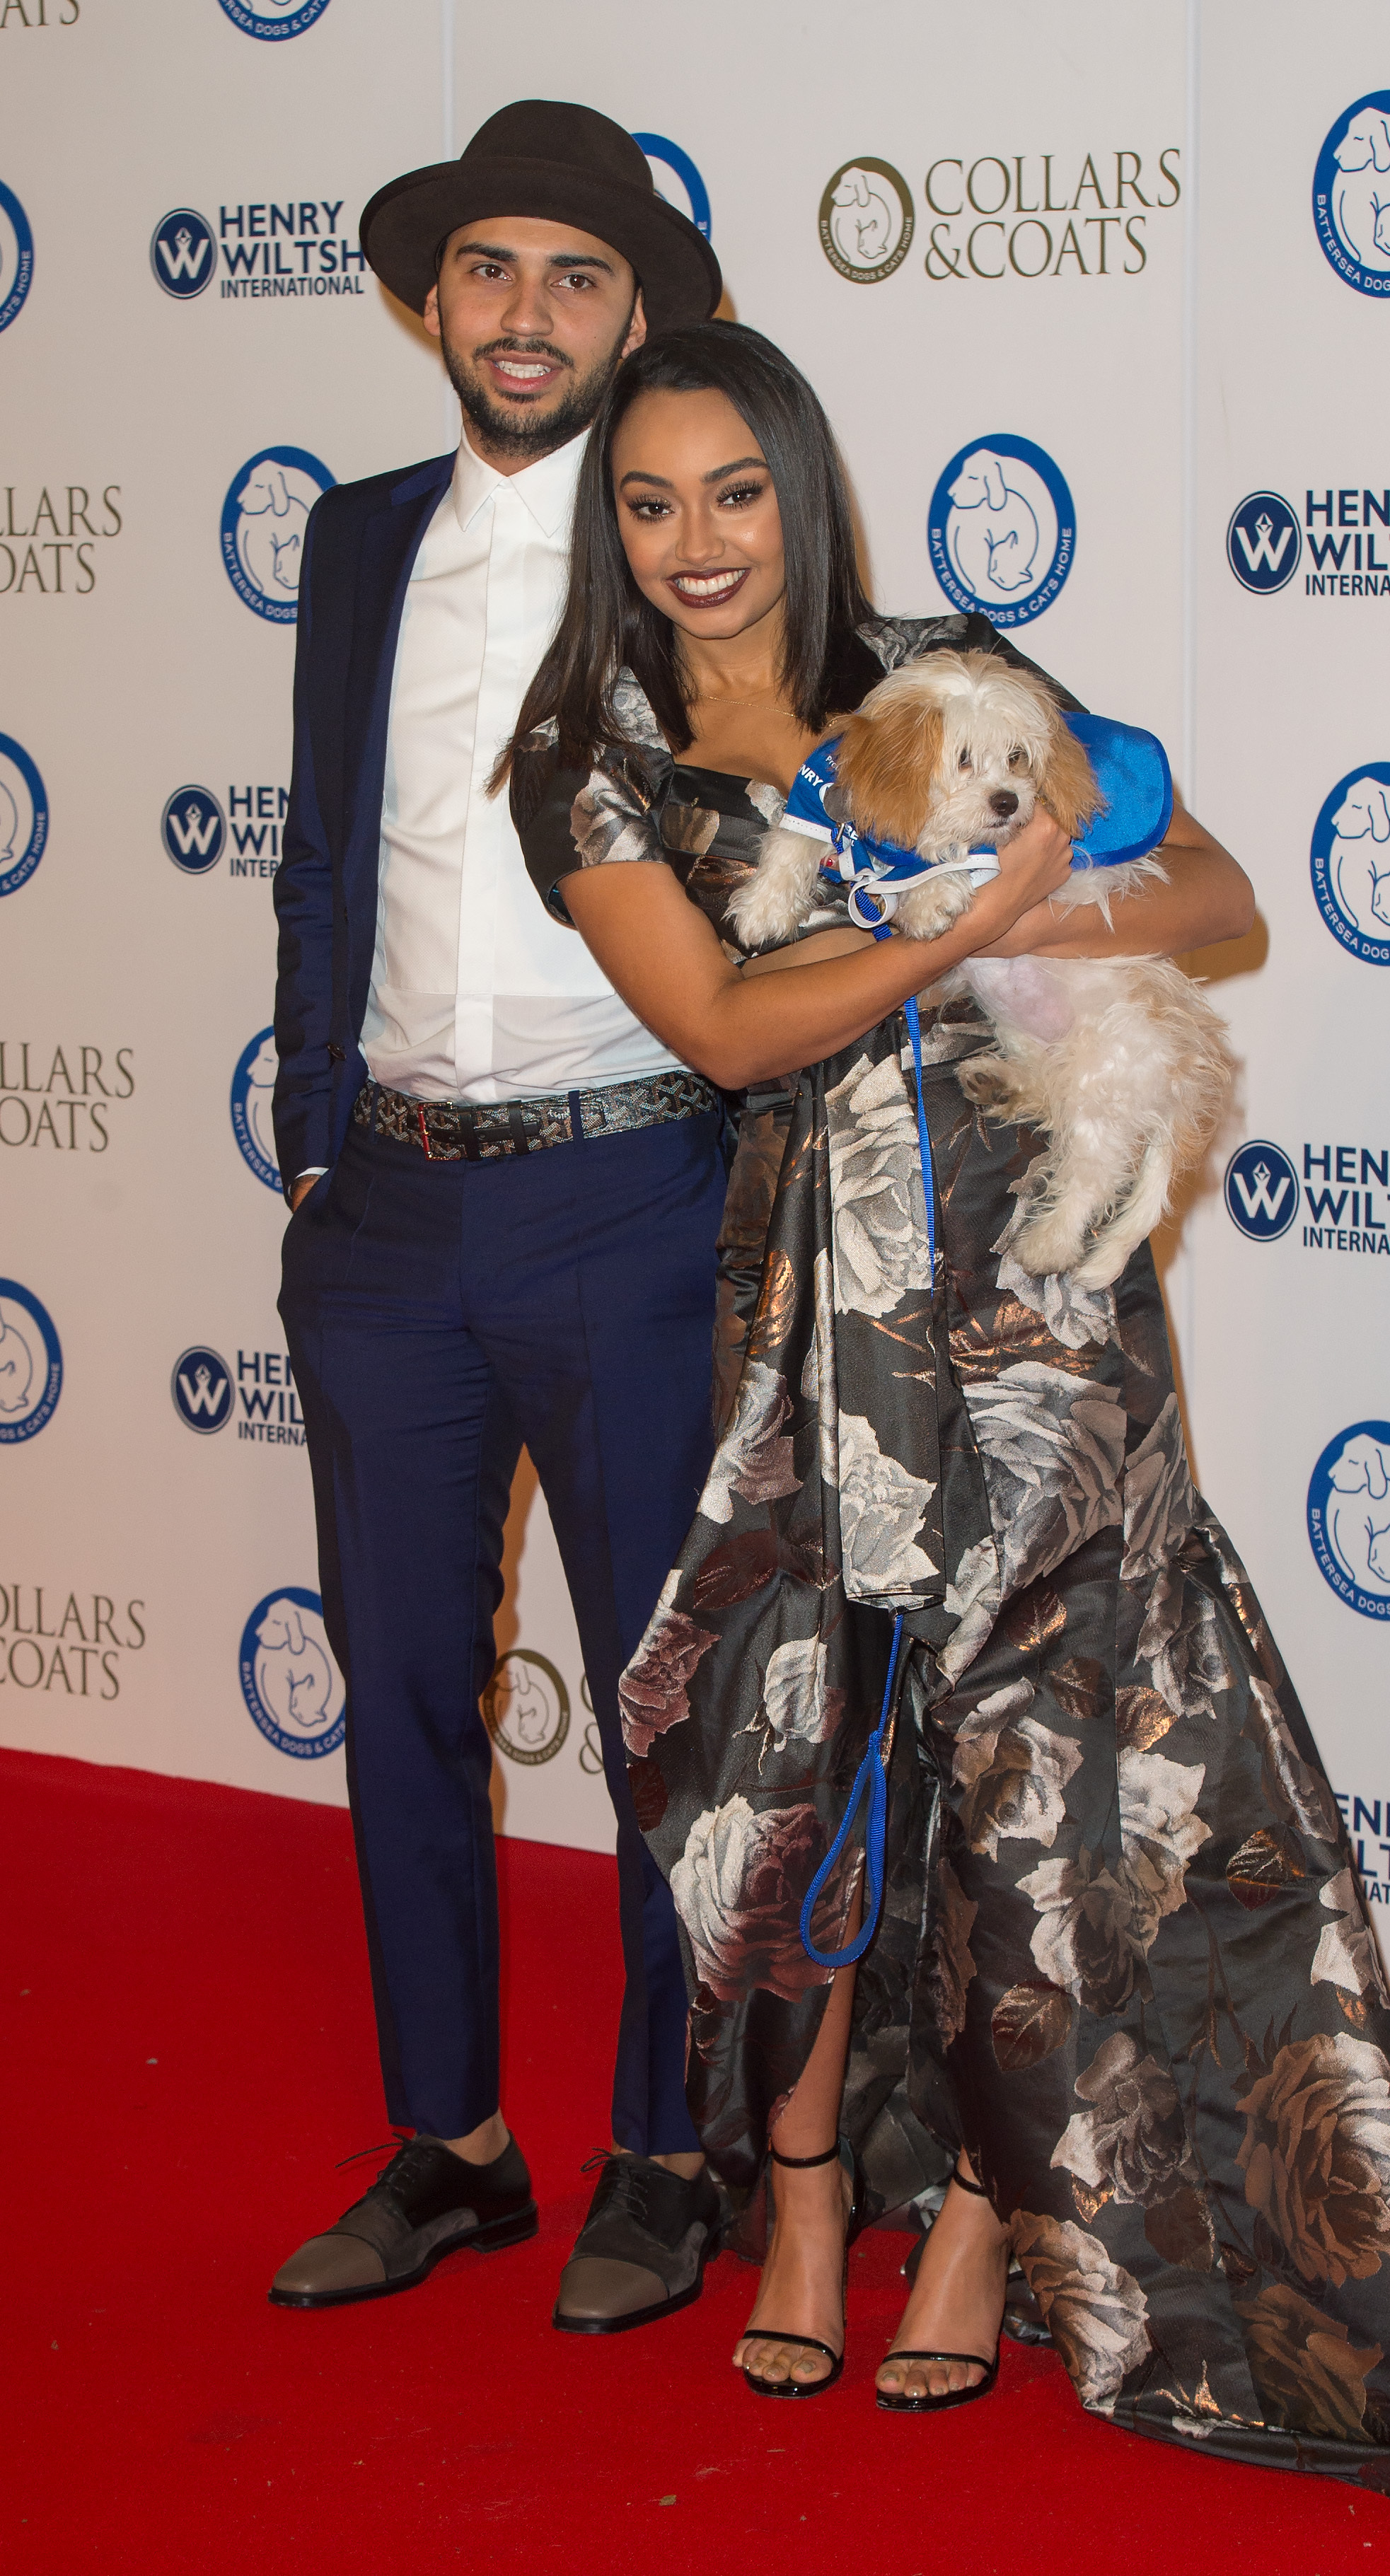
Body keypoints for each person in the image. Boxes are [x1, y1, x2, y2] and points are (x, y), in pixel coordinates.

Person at [509, 320, 1390, 2514]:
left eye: (736, 491)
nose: (698, 542)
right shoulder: (595, 764)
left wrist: (1025, 907)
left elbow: (1219, 896)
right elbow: (727, 1030)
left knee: (1038, 1776)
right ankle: (807, 2201)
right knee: (799, 1757)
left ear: (803, 489)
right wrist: (954, 919)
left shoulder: (944, 673)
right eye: (650, 501)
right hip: (811, 1326)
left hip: (1052, 1306)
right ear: (612, 522)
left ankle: (987, 2219)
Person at [269, 100, 738, 2335]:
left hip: (627, 1197)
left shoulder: (686, 549)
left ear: (633, 315)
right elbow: (321, 849)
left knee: (664, 1704)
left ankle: (669, 2147)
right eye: (488, 270)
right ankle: (451, 2139)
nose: (525, 313)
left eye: (573, 275)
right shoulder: (357, 541)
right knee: (397, 1695)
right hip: (384, 1212)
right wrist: (310, 1143)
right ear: (431, 300)